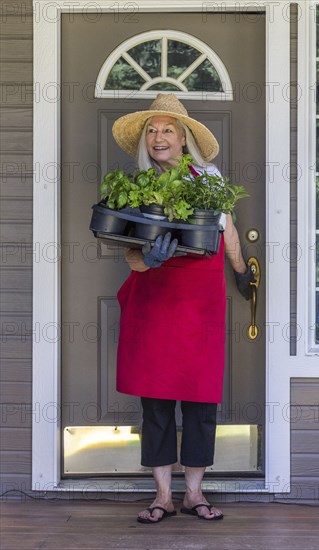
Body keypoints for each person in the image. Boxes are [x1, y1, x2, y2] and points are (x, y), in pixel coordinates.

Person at [112, 94, 253, 523]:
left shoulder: (209, 178)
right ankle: (161, 496)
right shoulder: (138, 187)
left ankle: (194, 493)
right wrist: (149, 259)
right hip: (155, 302)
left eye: (167, 130)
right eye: (152, 131)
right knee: (154, 401)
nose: (159, 138)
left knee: (200, 400)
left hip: (201, 303)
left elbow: (227, 232)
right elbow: (131, 257)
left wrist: (242, 270)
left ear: (183, 138)